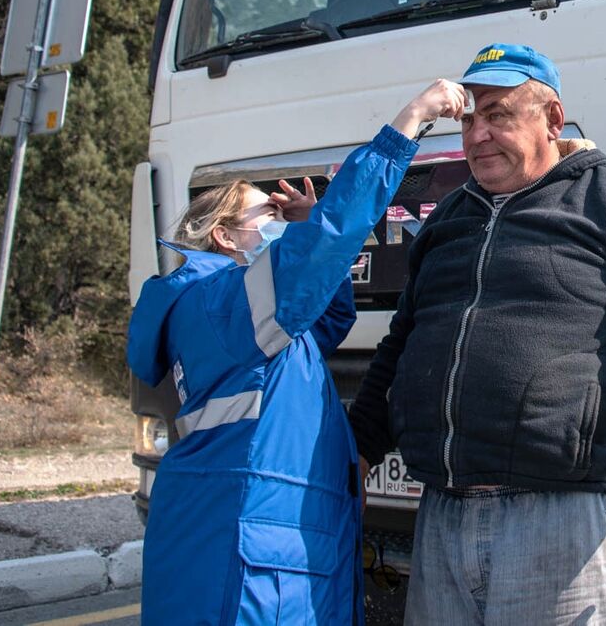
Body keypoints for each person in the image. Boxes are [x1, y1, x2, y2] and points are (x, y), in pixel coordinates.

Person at [349, 43, 606, 626]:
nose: (477, 136)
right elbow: (399, 349)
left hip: (560, 522)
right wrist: (357, 453)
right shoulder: (446, 220)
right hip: (440, 515)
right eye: (469, 119)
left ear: (552, 119)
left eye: (499, 116)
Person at [128, 80, 467, 625]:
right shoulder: (223, 306)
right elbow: (333, 238)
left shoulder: (243, 317)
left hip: (253, 538)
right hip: (253, 561)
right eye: (270, 216)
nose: (280, 226)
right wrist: (410, 120)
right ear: (224, 236)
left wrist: (303, 225)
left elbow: (328, 320)